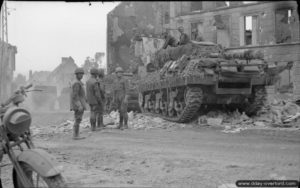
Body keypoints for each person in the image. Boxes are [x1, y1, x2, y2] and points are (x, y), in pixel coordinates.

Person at [70, 68, 87, 140]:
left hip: (79, 103)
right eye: (80, 74)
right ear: (77, 75)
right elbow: (75, 96)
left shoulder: (78, 82)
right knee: (78, 119)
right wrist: (79, 105)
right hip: (78, 104)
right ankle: (76, 135)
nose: (82, 75)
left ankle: (76, 134)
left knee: (78, 119)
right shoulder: (77, 83)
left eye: (82, 74)